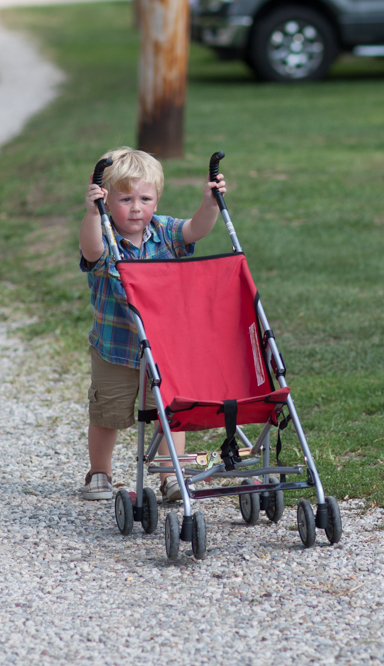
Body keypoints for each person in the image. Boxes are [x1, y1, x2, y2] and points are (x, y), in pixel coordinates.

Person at [79, 147, 227, 502]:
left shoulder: (166, 233)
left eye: (144, 199)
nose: (135, 208)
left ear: (156, 202)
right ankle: (99, 472)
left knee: (169, 413)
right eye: (125, 199)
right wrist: (91, 214)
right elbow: (90, 250)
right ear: (106, 201)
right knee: (107, 414)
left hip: (162, 348)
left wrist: (209, 204)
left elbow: (195, 230)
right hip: (116, 349)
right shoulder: (104, 237)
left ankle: (170, 473)